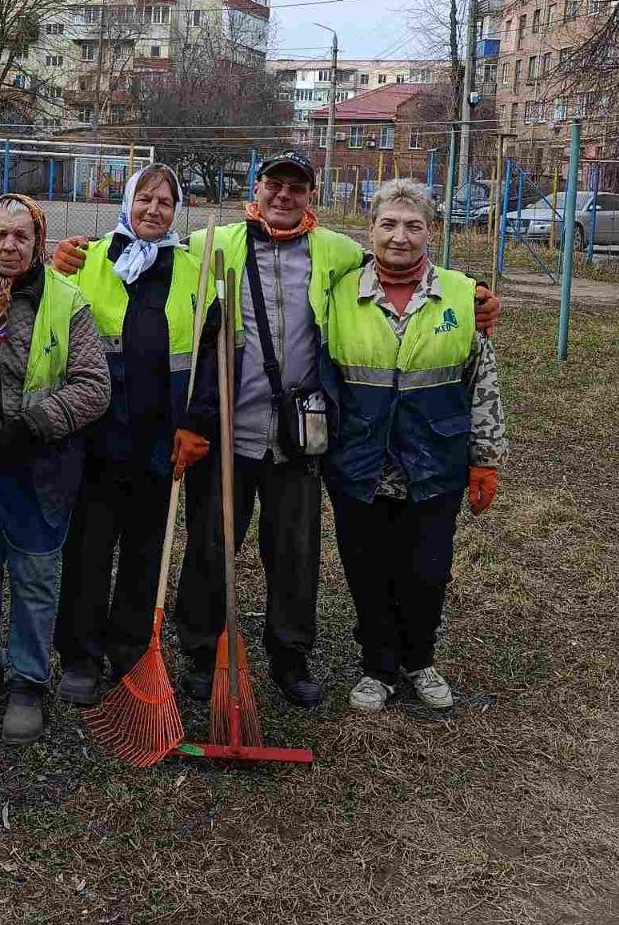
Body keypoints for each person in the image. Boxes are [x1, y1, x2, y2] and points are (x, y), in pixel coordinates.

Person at [54, 150, 501, 711]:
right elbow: (147, 245)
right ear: (257, 189)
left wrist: (475, 294)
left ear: (310, 196)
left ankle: (290, 658)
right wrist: (76, 251)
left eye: (296, 187)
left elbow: (394, 260)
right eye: (274, 184)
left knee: (294, 556)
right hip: (227, 433)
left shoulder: (336, 251)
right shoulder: (213, 243)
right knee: (210, 549)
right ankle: (201, 655)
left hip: (298, 439)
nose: (284, 196)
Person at [321, 177, 506, 712]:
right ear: (370, 229)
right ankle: (377, 667)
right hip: (360, 462)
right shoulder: (338, 295)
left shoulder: (462, 296)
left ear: (432, 231)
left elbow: (483, 382)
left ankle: (419, 659)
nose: (400, 237)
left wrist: (486, 459)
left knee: (428, 570)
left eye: (413, 225)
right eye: (388, 224)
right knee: (366, 569)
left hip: (435, 463)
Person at [51, 164, 219, 707]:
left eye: (165, 202)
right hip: (97, 438)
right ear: (127, 202)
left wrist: (196, 424)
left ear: (176, 212)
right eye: (144, 198)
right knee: (88, 550)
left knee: (146, 553)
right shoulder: (90, 259)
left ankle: (129, 651)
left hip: (160, 441)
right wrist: (55, 263)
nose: (153, 209)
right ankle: (80, 657)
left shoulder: (194, 270)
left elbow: (212, 358)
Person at [0, 193, 110, 744]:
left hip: (39, 469)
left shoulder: (67, 301)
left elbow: (94, 387)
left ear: (39, 242)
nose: (9, 246)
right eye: (0, 235)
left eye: (22, 236)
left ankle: (27, 683)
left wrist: (34, 425)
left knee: (34, 579)